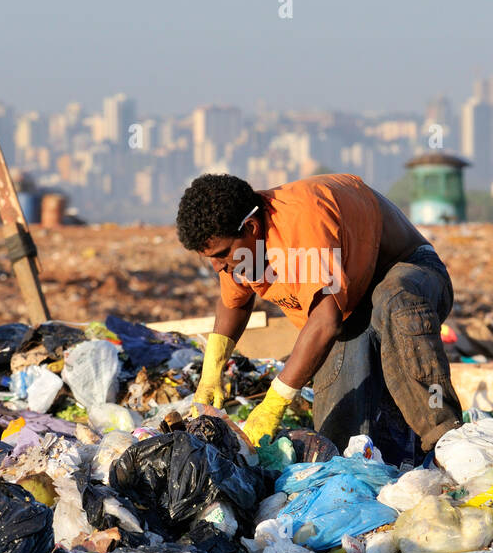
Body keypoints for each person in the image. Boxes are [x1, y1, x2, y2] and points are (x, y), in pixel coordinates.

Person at [175, 172, 463, 466]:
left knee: (394, 301)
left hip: (412, 274)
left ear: (250, 226)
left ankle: (447, 444)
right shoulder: (240, 251)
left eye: (222, 254)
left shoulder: (302, 218)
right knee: (338, 444)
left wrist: (274, 402)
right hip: (352, 306)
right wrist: (213, 368)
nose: (217, 266)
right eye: (209, 258)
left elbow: (326, 322)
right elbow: (234, 303)